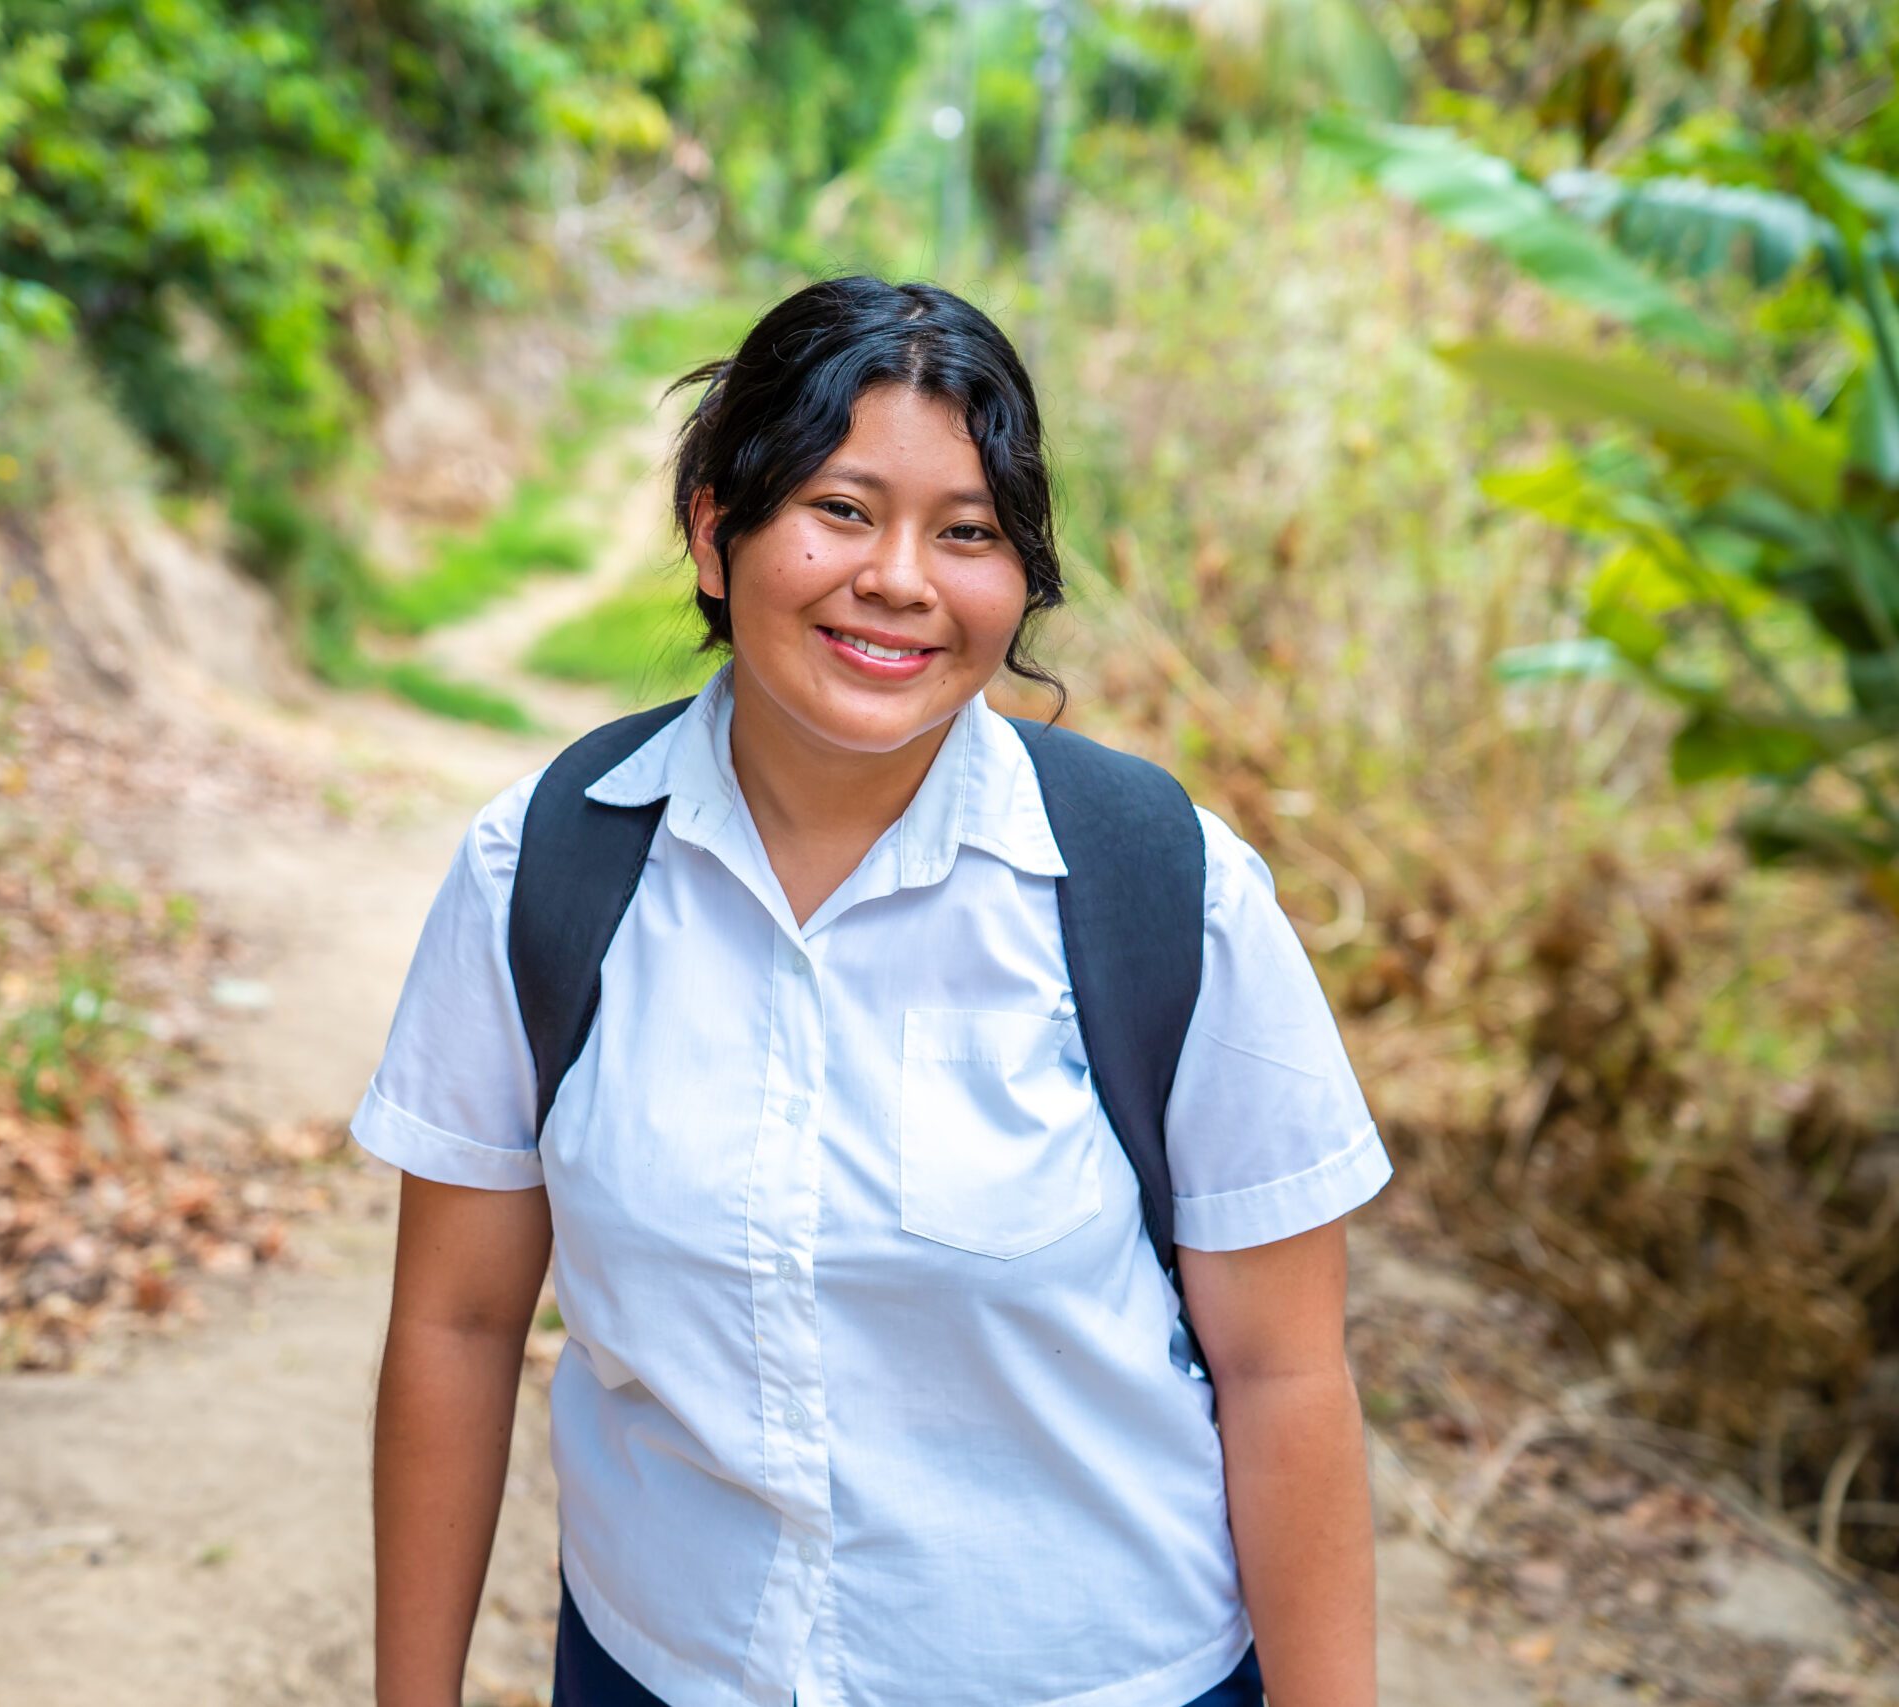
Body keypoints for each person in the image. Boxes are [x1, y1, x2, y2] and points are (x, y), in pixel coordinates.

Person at [355, 275, 1389, 1707]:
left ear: (1019, 578)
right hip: (663, 1672)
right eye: (842, 510)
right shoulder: (544, 866)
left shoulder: (1163, 889)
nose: (901, 578)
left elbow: (1284, 1376)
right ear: (717, 533)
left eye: (967, 533)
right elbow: (457, 1331)